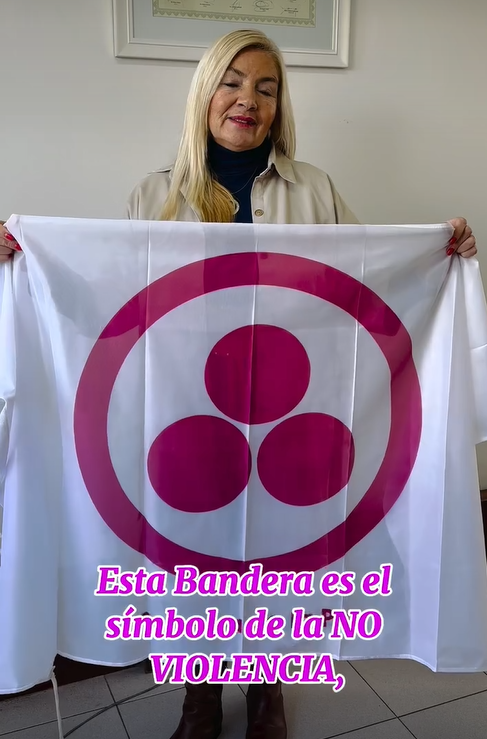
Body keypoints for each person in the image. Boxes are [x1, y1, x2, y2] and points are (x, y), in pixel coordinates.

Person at [0, 28, 478, 739]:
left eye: (266, 87)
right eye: (231, 81)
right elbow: (110, 307)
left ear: (280, 106)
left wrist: (438, 255)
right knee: (189, 560)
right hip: (184, 409)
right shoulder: (154, 193)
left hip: (295, 403)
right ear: (204, 92)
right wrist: (29, 260)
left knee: (283, 559)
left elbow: (365, 288)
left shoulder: (314, 188)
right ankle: (198, 696)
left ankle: (266, 692)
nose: (247, 99)